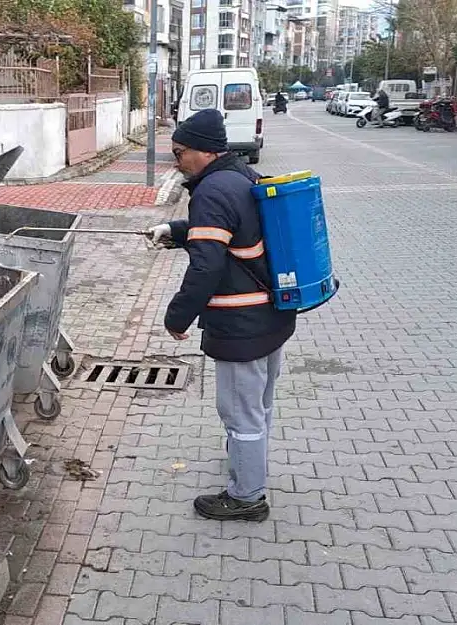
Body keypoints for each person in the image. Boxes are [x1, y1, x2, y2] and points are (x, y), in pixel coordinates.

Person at [147, 109, 297, 522]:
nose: (177, 162)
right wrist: (176, 232)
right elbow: (234, 231)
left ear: (203, 152)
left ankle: (247, 496)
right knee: (259, 405)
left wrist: (177, 317)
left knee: (239, 411)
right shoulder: (241, 176)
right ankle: (247, 463)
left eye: (180, 153)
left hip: (240, 324)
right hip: (271, 317)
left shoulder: (211, 191)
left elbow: (207, 266)